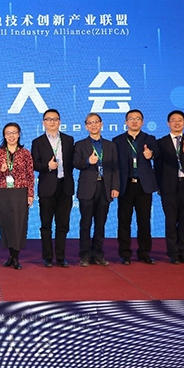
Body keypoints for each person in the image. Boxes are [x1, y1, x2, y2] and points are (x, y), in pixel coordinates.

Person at [113, 109, 159, 265]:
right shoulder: (117, 140)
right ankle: (125, 253)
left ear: (142, 122)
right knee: (124, 221)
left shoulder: (149, 139)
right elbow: (115, 166)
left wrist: (151, 155)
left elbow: (158, 155)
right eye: (131, 118)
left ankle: (144, 252)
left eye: (137, 118)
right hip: (125, 185)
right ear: (126, 122)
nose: (134, 121)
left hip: (143, 185)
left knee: (144, 220)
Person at [155, 110, 184, 264]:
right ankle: (173, 253)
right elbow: (158, 166)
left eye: (180, 120)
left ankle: (183, 251)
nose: (177, 123)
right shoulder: (161, 142)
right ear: (168, 123)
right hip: (169, 186)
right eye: (173, 120)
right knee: (171, 220)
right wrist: (158, 186)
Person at [73, 112, 120, 267]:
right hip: (87, 189)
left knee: (101, 223)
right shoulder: (80, 145)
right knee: (85, 223)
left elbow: (115, 168)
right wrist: (88, 160)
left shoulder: (110, 146)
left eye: (96, 122)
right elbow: (76, 163)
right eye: (90, 123)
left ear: (101, 124)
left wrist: (115, 187)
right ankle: (85, 255)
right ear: (86, 127)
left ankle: (98, 254)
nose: (93, 125)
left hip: (105, 188)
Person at [31, 109, 75, 267]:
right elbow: (34, 164)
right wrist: (47, 166)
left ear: (60, 121)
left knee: (63, 224)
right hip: (47, 187)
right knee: (46, 224)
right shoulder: (37, 142)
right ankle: (48, 257)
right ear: (43, 122)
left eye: (55, 119)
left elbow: (73, 162)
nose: (52, 122)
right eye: (48, 119)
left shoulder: (69, 140)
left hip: (65, 186)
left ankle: (61, 257)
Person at [0, 123, 34, 270]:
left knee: (19, 223)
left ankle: (16, 256)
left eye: (14, 133)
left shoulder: (25, 153)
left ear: (18, 135)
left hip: (20, 191)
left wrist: (30, 194)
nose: (11, 136)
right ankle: (10, 255)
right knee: (7, 222)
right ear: (4, 136)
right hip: (4, 191)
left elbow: (30, 175)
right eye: (8, 133)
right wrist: (1, 169)